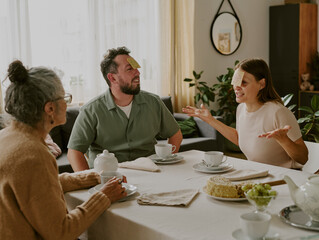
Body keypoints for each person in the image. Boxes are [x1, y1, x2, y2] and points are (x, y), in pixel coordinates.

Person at [0, 60, 127, 239]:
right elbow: (61, 232)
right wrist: (103, 197)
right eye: (65, 98)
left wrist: (93, 177)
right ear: (50, 108)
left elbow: (41, 185)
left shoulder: (7, 136)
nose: (67, 104)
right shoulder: (33, 154)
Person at [67, 46, 182, 171]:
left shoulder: (153, 102)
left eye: (136, 68)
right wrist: (88, 182)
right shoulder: (91, 110)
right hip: (109, 177)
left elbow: (175, 135)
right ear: (112, 78)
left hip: (151, 172)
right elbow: (74, 152)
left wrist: (166, 161)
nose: (137, 72)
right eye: (129, 69)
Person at [183, 58, 308, 168]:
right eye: (236, 82)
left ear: (262, 84)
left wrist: (284, 140)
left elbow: (303, 158)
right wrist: (210, 120)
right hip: (257, 174)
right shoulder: (241, 108)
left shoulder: (278, 112)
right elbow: (241, 138)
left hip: (284, 177)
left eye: (244, 82)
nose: (236, 87)